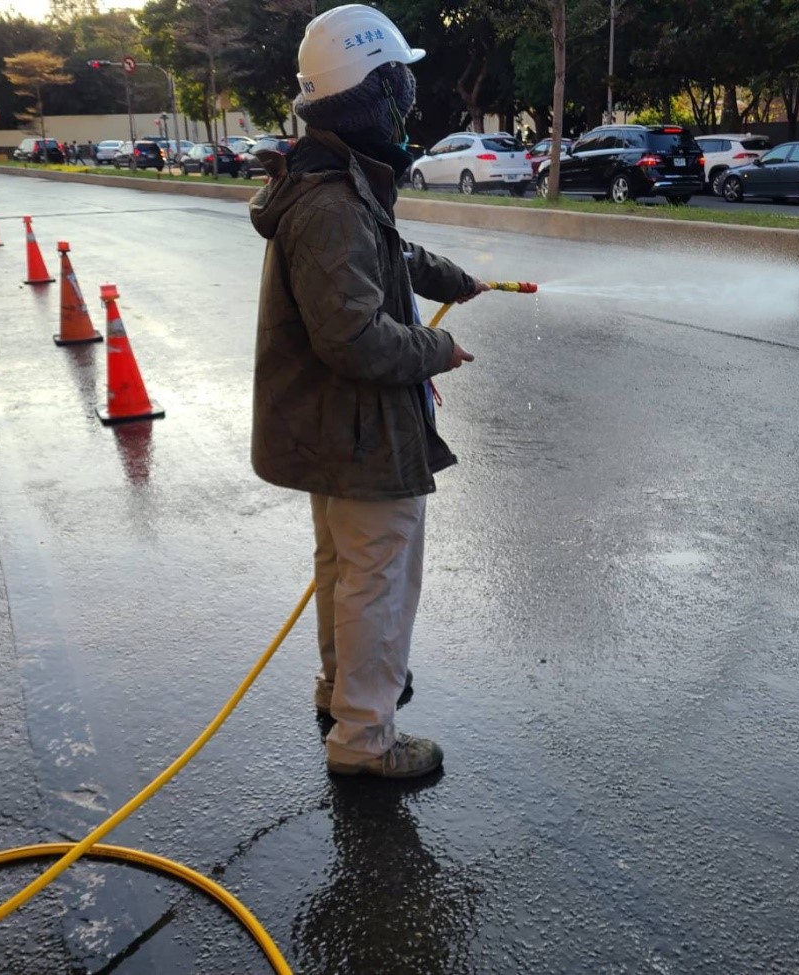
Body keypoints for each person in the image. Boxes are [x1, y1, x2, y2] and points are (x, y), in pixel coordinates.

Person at [250, 4, 489, 779]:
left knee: (347, 572)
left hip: (338, 428)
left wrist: (449, 278)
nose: (408, 101)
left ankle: (341, 695)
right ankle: (365, 740)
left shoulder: (335, 180)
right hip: (358, 434)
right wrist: (438, 349)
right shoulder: (330, 205)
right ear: (366, 93)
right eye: (397, 85)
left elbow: (385, 253)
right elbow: (352, 337)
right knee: (378, 582)